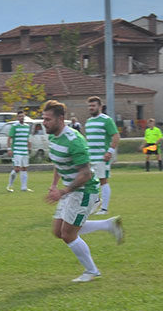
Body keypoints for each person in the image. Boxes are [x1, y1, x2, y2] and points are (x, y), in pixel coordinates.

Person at [43, 100, 124, 283]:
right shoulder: (53, 137)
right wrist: (54, 185)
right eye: (43, 118)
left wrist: (63, 192)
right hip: (70, 190)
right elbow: (58, 163)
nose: (44, 122)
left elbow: (86, 174)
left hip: (84, 190)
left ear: (60, 119)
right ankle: (108, 225)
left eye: (48, 119)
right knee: (58, 231)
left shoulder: (74, 140)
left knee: (68, 234)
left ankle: (92, 271)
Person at [84, 96, 120, 215]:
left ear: (100, 107)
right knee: (89, 183)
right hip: (90, 158)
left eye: (93, 106)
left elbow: (116, 136)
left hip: (101, 157)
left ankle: (104, 209)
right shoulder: (88, 122)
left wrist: (109, 152)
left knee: (103, 181)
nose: (91, 108)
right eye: (89, 106)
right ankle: (95, 203)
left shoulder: (106, 120)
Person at [6, 110, 33, 192]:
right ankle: (9, 185)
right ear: (17, 117)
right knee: (17, 169)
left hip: (24, 150)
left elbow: (28, 138)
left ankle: (24, 187)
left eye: (23, 116)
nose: (22, 118)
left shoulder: (27, 126)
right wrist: (9, 149)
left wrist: (29, 147)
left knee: (24, 168)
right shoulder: (14, 126)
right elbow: (9, 138)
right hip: (17, 150)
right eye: (20, 116)